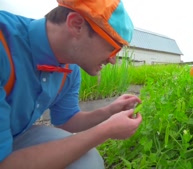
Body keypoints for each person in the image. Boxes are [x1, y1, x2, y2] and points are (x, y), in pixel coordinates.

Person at [0, 0, 142, 168]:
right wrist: (106, 130)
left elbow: (67, 120)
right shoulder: (4, 46)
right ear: (76, 25)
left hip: (15, 135)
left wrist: (109, 111)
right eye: (113, 47)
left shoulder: (70, 69)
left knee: (87, 162)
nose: (113, 60)